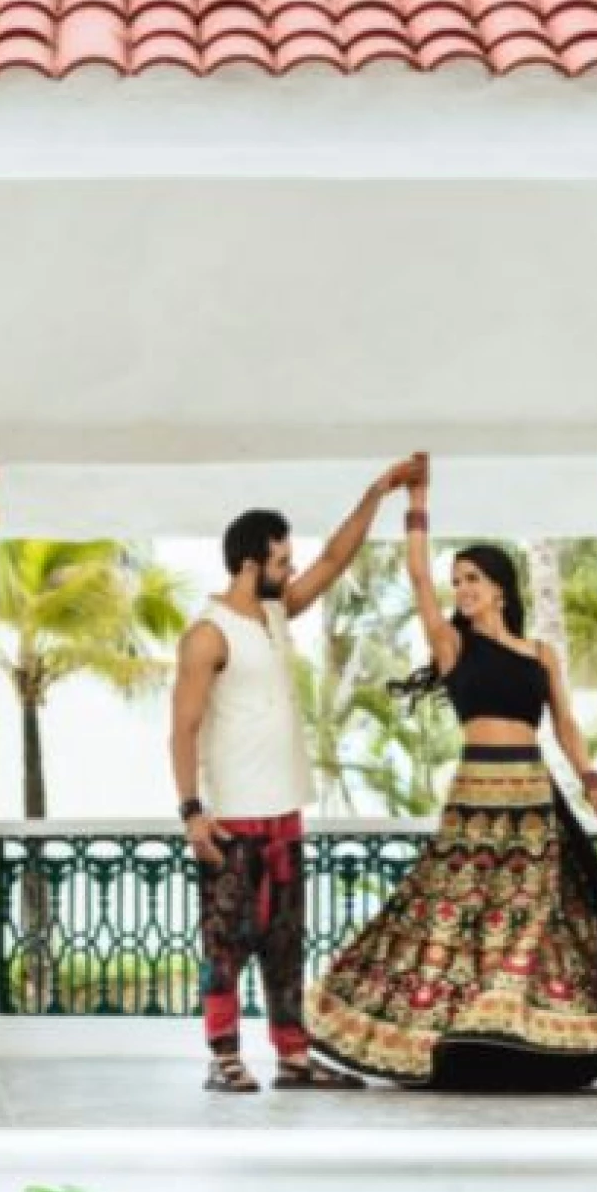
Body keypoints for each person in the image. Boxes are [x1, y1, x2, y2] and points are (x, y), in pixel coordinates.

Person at [307, 454, 597, 1089]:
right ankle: (451, 1038)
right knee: (451, 913)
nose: (461, 589)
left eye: (472, 578)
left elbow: (566, 724)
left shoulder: (540, 653)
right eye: (457, 581)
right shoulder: (452, 646)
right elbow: (416, 575)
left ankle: (523, 1042)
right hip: (474, 798)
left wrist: (591, 780)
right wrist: (416, 500)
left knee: (531, 916)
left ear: (500, 587)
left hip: (532, 798)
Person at [170, 458, 422, 1093]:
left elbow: (335, 559)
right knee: (225, 944)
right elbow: (182, 729)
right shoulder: (208, 635)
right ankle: (224, 1057)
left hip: (284, 813)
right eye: (281, 561)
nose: (290, 569)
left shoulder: (275, 613)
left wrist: (379, 492)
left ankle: (293, 1057)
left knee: (286, 944)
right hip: (232, 819)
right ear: (250, 563)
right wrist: (191, 811)